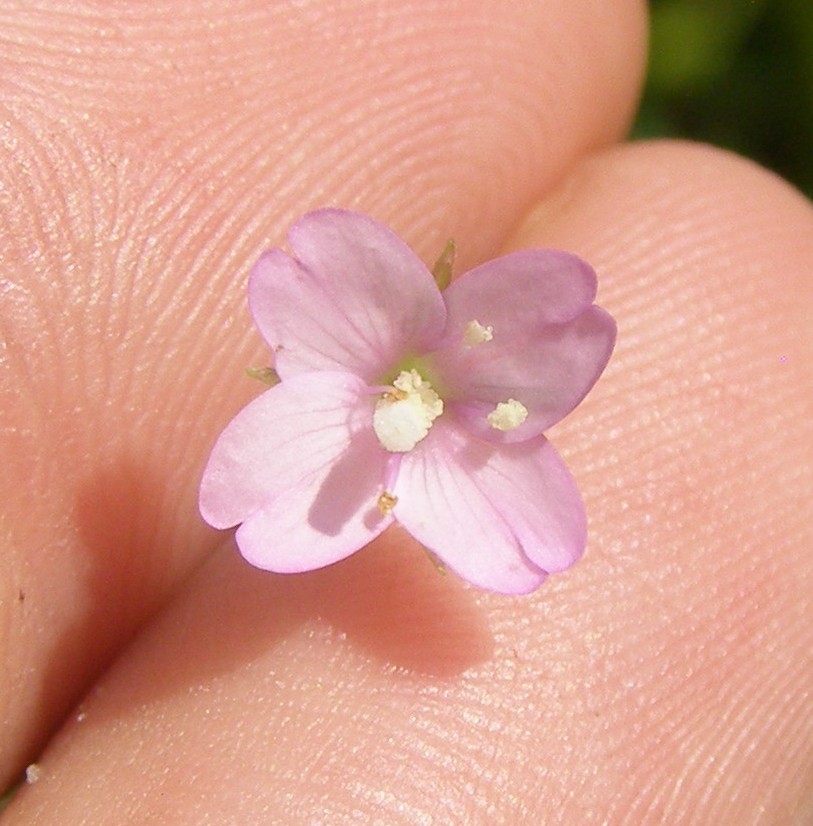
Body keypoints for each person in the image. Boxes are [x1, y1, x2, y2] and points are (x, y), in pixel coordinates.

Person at [1, 1, 811, 822]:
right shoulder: (361, 341)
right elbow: (311, 305)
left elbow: (508, 529)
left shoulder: (478, 389)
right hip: (350, 375)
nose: (410, 408)